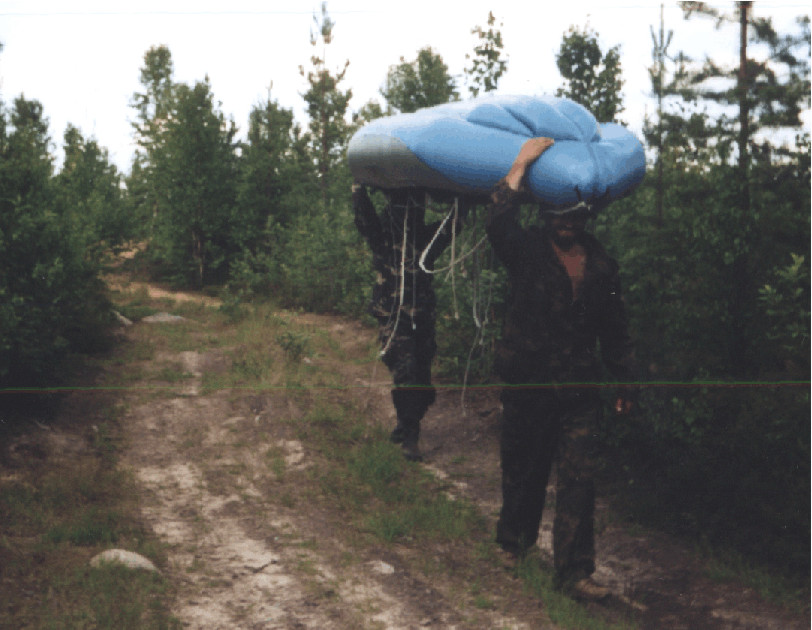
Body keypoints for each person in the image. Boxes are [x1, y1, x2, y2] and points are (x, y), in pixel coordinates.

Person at [485, 138, 637, 600]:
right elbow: (497, 220)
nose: (567, 223)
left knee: (579, 479)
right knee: (524, 468)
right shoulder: (526, 251)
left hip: (578, 389)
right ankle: (514, 544)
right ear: (546, 214)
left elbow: (615, 328)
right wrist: (521, 163)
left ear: (585, 217)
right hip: (529, 381)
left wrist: (625, 379)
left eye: (574, 216)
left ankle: (574, 572)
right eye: (559, 215)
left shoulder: (602, 266)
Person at [352, 184, 467, 461]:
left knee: (423, 380)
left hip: (422, 316)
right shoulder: (381, 237)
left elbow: (451, 227)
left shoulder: (425, 239)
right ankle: (411, 437)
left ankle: (406, 422)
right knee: (406, 371)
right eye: (401, 205)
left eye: (413, 206)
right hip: (393, 316)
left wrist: (463, 201)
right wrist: (358, 191)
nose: (407, 212)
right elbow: (364, 218)